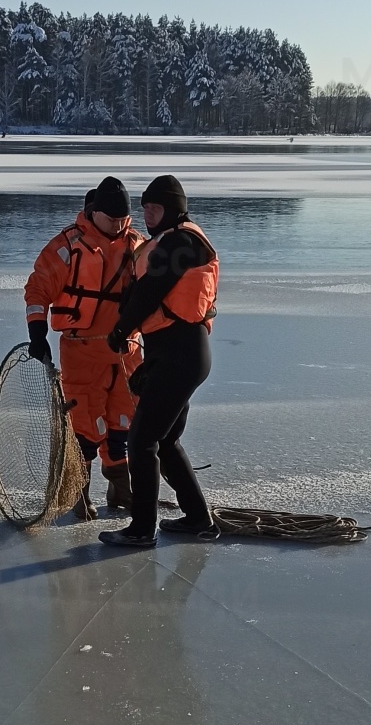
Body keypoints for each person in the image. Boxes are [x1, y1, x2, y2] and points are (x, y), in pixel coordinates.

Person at [99, 175, 219, 548]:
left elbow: (150, 291)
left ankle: (141, 529)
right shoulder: (168, 240)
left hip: (182, 354)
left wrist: (121, 331)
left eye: (156, 207)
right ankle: (199, 518)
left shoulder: (181, 242)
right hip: (176, 353)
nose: (148, 213)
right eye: (145, 207)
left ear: (173, 208)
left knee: (142, 440)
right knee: (165, 440)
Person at [24, 177, 144, 520]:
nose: (119, 226)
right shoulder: (68, 246)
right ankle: (79, 491)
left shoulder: (137, 245)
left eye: (124, 220)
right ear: (94, 214)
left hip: (127, 351)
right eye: (112, 220)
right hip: (82, 351)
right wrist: (37, 332)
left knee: (123, 422)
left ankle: (121, 487)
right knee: (85, 426)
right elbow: (38, 288)